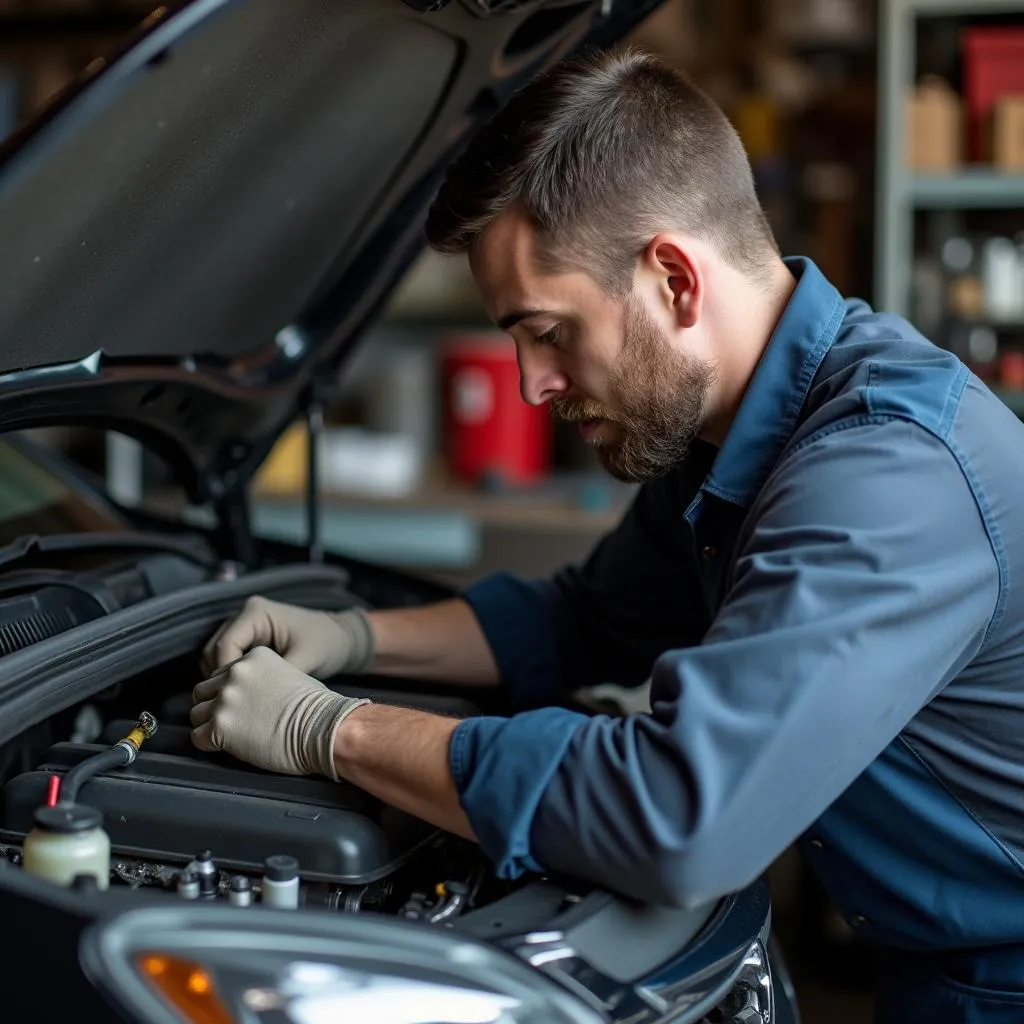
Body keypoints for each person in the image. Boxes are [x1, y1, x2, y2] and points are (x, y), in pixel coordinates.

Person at [190, 49, 1024, 1024]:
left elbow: (678, 815)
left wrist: (329, 730)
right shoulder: (732, 434)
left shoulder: (883, 477)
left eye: (547, 331)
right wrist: (353, 638)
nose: (529, 384)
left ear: (672, 277)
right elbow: (583, 618)